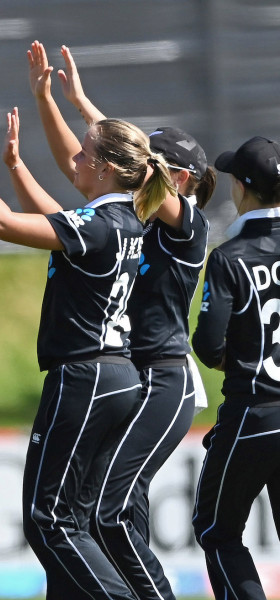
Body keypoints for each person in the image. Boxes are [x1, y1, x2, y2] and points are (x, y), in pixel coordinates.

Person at [0, 106, 174, 599]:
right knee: (77, 519)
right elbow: (54, 222)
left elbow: (0, 222)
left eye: (84, 153)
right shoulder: (123, 220)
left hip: (85, 377)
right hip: (116, 375)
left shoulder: (100, 224)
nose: (74, 159)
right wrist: (14, 166)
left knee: (47, 518)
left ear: (105, 168)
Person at [24, 41, 216, 599]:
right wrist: (52, 101)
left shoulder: (188, 223)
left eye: (155, 161)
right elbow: (82, 162)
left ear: (180, 178)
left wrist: (89, 110)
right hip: (129, 374)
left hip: (164, 377)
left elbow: (121, 161)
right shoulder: (125, 217)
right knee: (86, 511)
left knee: (112, 510)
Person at [192, 136, 280, 600]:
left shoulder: (229, 257)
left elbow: (208, 345)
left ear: (241, 188)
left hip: (253, 414)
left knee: (217, 530)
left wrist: (243, 357)